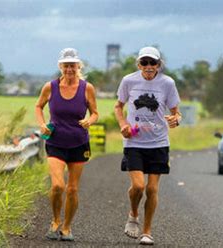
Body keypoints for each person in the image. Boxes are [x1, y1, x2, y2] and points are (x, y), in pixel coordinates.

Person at [114, 46, 181, 245]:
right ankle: (133, 215)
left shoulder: (167, 83)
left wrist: (176, 119)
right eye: (144, 62)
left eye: (153, 63)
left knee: (152, 189)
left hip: (159, 143)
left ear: (159, 65)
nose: (149, 66)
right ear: (139, 64)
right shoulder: (129, 81)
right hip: (134, 142)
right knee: (138, 186)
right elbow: (118, 106)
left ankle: (147, 231)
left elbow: (176, 112)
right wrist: (123, 124)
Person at [35, 48, 99, 241]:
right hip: (55, 142)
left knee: (72, 189)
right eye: (66, 65)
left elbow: (95, 112)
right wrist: (42, 124)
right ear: (60, 66)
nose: (69, 69)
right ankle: (55, 221)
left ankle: (67, 227)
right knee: (57, 186)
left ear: (78, 66)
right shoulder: (50, 87)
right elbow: (38, 106)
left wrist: (90, 121)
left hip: (79, 143)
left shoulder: (87, 88)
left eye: (73, 65)